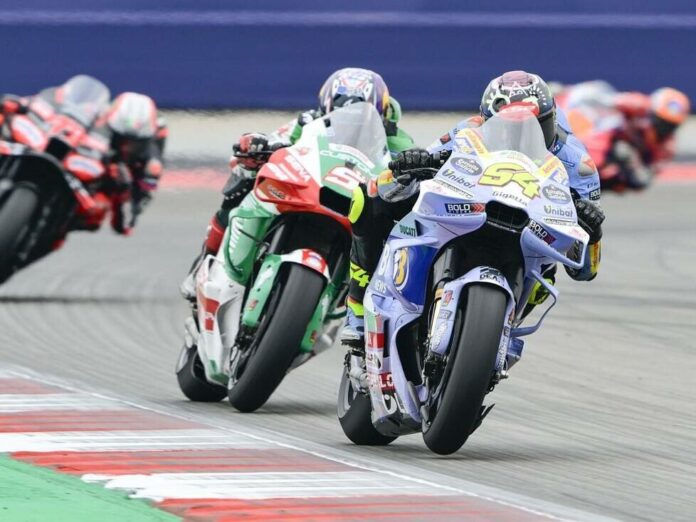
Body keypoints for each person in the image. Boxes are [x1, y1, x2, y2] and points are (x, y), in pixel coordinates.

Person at [341, 71, 605, 356]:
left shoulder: (579, 166)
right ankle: (358, 310)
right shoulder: (468, 131)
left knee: (547, 275)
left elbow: (584, 270)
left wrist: (592, 233)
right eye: (507, 128)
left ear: (552, 119)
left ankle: (501, 333)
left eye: (536, 127)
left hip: (528, 237)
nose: (520, 138)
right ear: (485, 121)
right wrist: (412, 165)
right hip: (470, 212)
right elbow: (392, 185)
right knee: (367, 197)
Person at [180, 67, 415, 298]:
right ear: (327, 107)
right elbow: (275, 140)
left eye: (358, 112)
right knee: (243, 178)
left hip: (356, 202)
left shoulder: (396, 140)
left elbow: (410, 173)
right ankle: (205, 259)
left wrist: (410, 180)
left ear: (380, 111)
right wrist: (258, 147)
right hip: (309, 185)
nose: (350, 118)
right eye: (343, 109)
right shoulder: (309, 121)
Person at [559, 80, 690, 189]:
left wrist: (630, 161)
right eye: (661, 122)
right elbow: (602, 99)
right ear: (651, 112)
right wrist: (567, 91)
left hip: (617, 169)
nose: (664, 128)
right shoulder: (637, 104)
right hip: (604, 139)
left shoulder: (666, 148)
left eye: (670, 126)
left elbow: (644, 178)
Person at [101, 92, 167, 235]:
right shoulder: (105, 120)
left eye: (133, 143)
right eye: (122, 139)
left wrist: (140, 198)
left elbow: (157, 158)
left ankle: (136, 204)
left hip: (141, 163)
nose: (127, 147)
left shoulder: (156, 132)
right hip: (107, 155)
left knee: (153, 170)